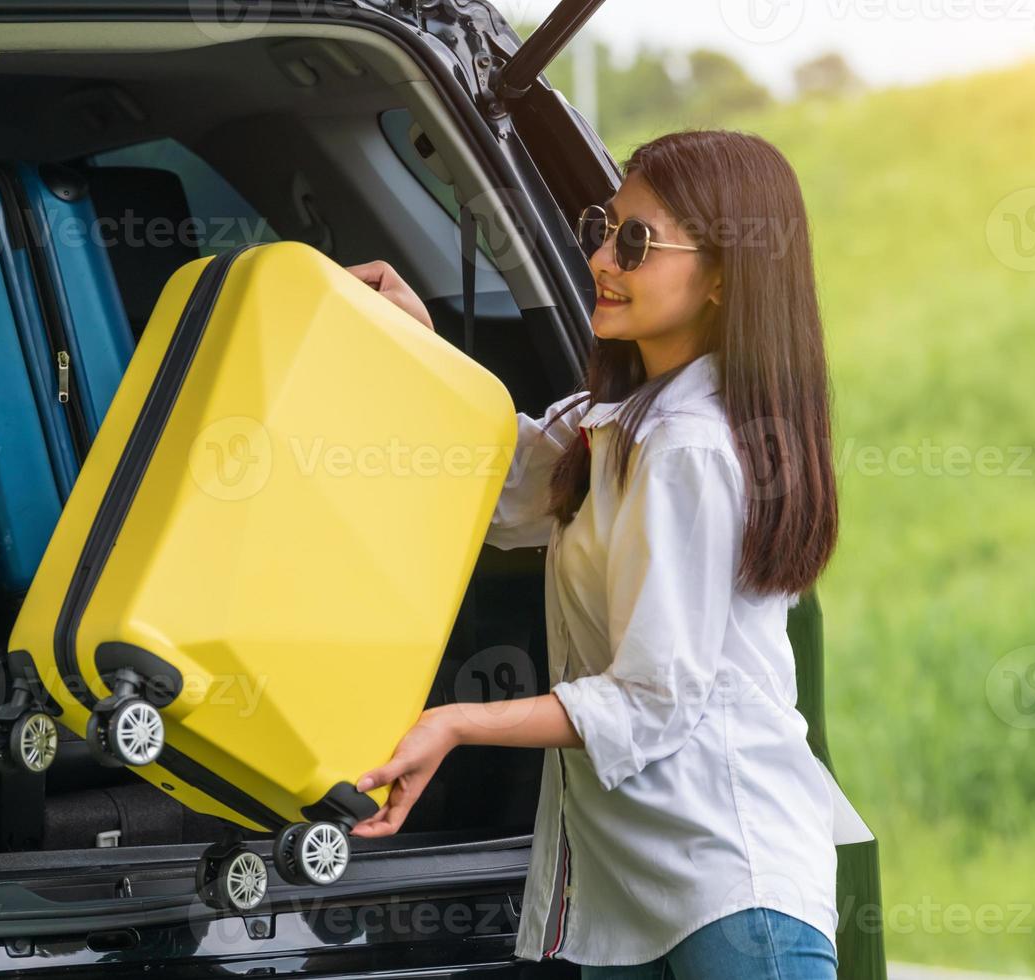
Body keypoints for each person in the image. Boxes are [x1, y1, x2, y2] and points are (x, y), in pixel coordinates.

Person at [344, 129, 849, 979]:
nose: (600, 259)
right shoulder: (614, 422)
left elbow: (652, 701)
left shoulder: (686, 446)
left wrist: (458, 722)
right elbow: (490, 485)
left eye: (636, 242)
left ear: (725, 274)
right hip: (637, 901)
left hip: (731, 896)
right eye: (603, 228)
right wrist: (415, 344)